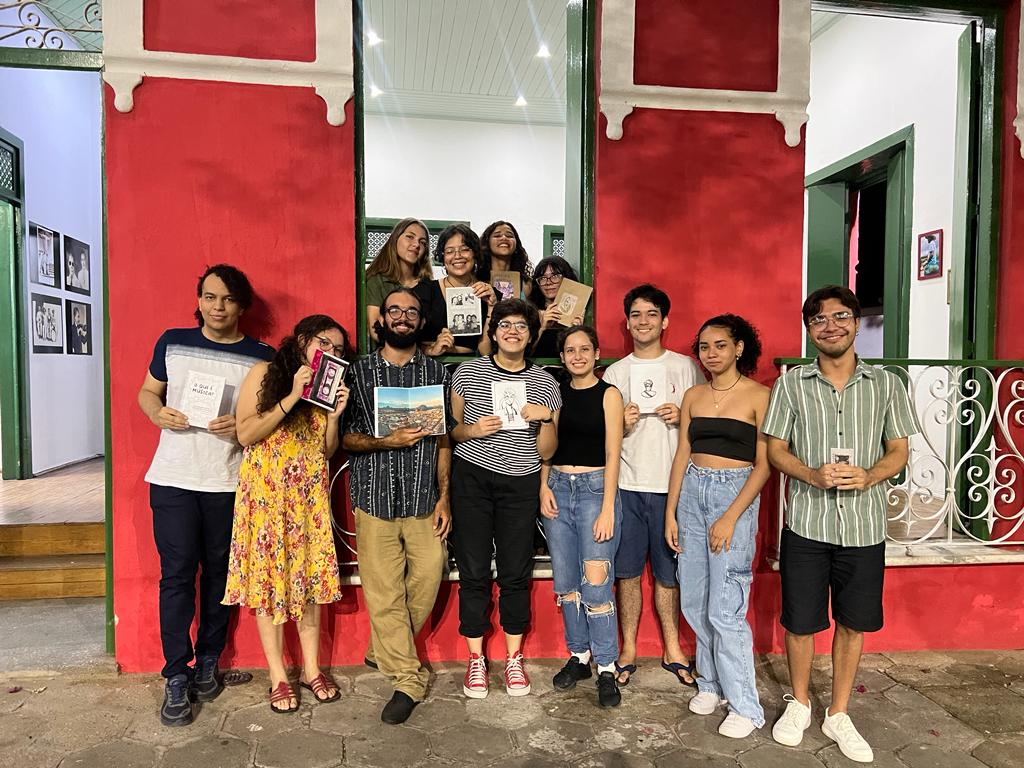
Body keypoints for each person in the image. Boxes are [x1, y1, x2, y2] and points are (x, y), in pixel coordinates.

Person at [764, 285, 917, 763]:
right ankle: (800, 703)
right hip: (807, 523)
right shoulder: (791, 385)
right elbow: (775, 449)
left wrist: (870, 474)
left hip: (864, 527)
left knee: (853, 623)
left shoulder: (886, 384)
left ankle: (839, 712)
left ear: (855, 322)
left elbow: (899, 450)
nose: (830, 326)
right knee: (800, 622)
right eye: (819, 319)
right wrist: (811, 474)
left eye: (840, 316)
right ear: (809, 329)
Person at [137, 264, 273, 727]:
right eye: (210, 297)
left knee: (220, 577)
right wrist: (157, 413)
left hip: (229, 481)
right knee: (176, 578)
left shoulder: (261, 356)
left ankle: (208, 662)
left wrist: (241, 425)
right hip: (173, 478)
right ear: (199, 300)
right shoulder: (172, 342)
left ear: (242, 305)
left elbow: (266, 419)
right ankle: (176, 674)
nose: (219, 307)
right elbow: (147, 393)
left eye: (229, 299)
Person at [223, 315, 352, 713]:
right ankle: (278, 675)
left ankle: (312, 670)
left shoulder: (328, 386)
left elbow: (325, 451)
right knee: (269, 586)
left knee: (310, 585)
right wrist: (294, 394)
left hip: (308, 501)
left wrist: (334, 418)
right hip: (266, 501)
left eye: (338, 349)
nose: (330, 352)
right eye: (323, 343)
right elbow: (246, 433)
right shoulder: (265, 372)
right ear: (301, 341)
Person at [342, 288, 453, 725]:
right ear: (382, 319)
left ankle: (382, 647)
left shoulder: (438, 373)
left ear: (421, 322)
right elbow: (346, 438)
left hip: (424, 498)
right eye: (394, 310)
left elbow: (443, 440)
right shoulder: (358, 372)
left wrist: (445, 497)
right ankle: (407, 679)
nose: (402, 317)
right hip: (374, 497)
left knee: (428, 575)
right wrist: (384, 441)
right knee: (384, 591)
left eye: (411, 311)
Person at [664, 314, 770, 738]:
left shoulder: (759, 396)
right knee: (694, 599)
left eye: (720, 345)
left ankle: (746, 705)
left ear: (739, 348)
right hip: (692, 493)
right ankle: (711, 684)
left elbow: (764, 465)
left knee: (725, 607)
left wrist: (730, 516)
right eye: (704, 346)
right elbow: (682, 455)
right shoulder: (693, 395)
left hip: (734, 495)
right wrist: (671, 512)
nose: (711, 353)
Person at [450, 298, 561, 698]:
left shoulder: (546, 382)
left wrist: (544, 419)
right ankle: (476, 658)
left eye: (521, 326)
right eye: (505, 325)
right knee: (474, 569)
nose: (513, 331)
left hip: (521, 482)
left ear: (532, 335)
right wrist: (473, 430)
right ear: (493, 332)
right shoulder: (467, 372)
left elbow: (548, 451)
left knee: (516, 570)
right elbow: (452, 431)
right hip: (473, 479)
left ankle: (514, 657)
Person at [601, 284, 704, 686]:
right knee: (627, 572)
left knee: (668, 573)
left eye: (651, 314)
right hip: (627, 484)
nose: (643, 321)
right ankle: (628, 647)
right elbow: (603, 437)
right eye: (636, 315)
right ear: (627, 323)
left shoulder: (686, 368)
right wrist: (621, 424)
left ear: (665, 321)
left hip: (672, 486)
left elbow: (705, 420)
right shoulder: (615, 373)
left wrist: (684, 417)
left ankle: (672, 647)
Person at [540, 325, 625, 708]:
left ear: (596, 353)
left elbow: (612, 453)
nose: (577, 356)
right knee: (567, 583)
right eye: (570, 350)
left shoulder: (609, 394)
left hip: (595, 491)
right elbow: (548, 447)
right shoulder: (556, 394)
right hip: (558, 488)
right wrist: (543, 487)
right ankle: (579, 656)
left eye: (584, 349)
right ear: (562, 357)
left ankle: (606, 666)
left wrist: (607, 507)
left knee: (596, 583)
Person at [365, 218, 434, 344]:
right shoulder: (376, 281)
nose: (417, 244)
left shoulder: (429, 286)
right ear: (395, 239)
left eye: (422, 242)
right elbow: (376, 331)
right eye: (410, 237)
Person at [528, 256, 583, 359]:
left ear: (566, 279)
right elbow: (523, 353)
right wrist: (542, 327)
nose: (548, 282)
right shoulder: (530, 312)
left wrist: (577, 331)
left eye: (555, 276)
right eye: (542, 278)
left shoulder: (580, 310)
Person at [478, 221, 533, 299]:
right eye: (497, 235)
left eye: (509, 235)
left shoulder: (526, 284)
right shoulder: (477, 281)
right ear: (487, 244)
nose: (504, 238)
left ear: (516, 244)